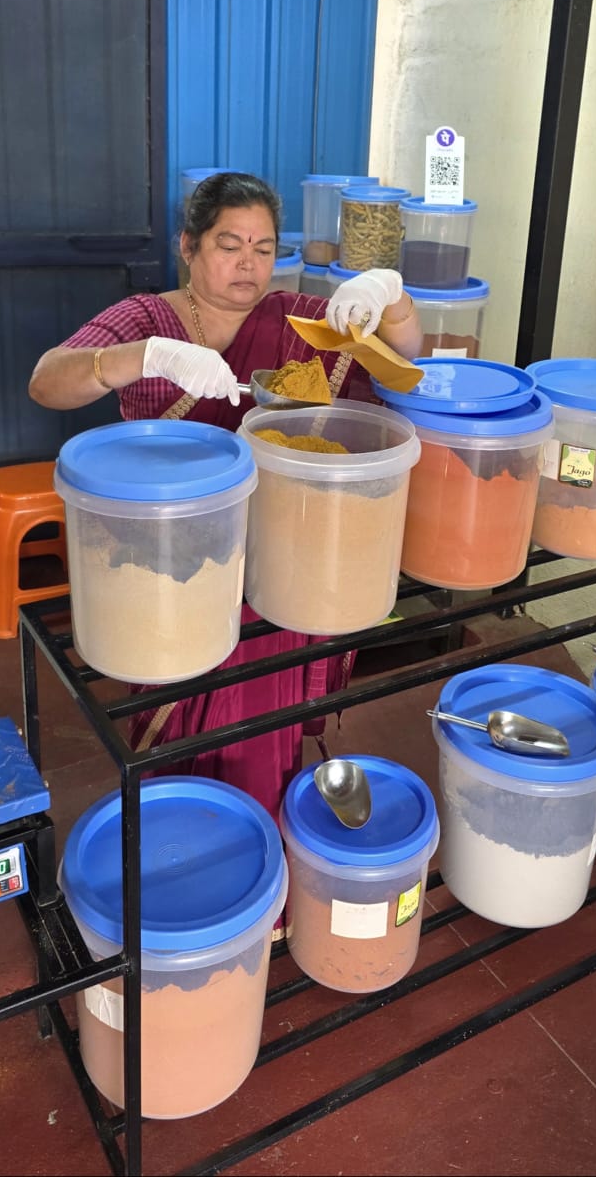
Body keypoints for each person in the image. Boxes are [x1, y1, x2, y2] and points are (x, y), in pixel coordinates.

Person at [29, 172, 422, 822]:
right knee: (178, 709)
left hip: (276, 560)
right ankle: (181, 824)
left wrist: (388, 292)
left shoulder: (299, 320)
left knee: (263, 723)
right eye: (228, 244)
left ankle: (259, 833)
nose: (248, 264)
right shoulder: (148, 319)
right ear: (188, 246)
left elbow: (406, 358)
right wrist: (145, 358)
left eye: (263, 248)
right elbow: (47, 381)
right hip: (173, 563)